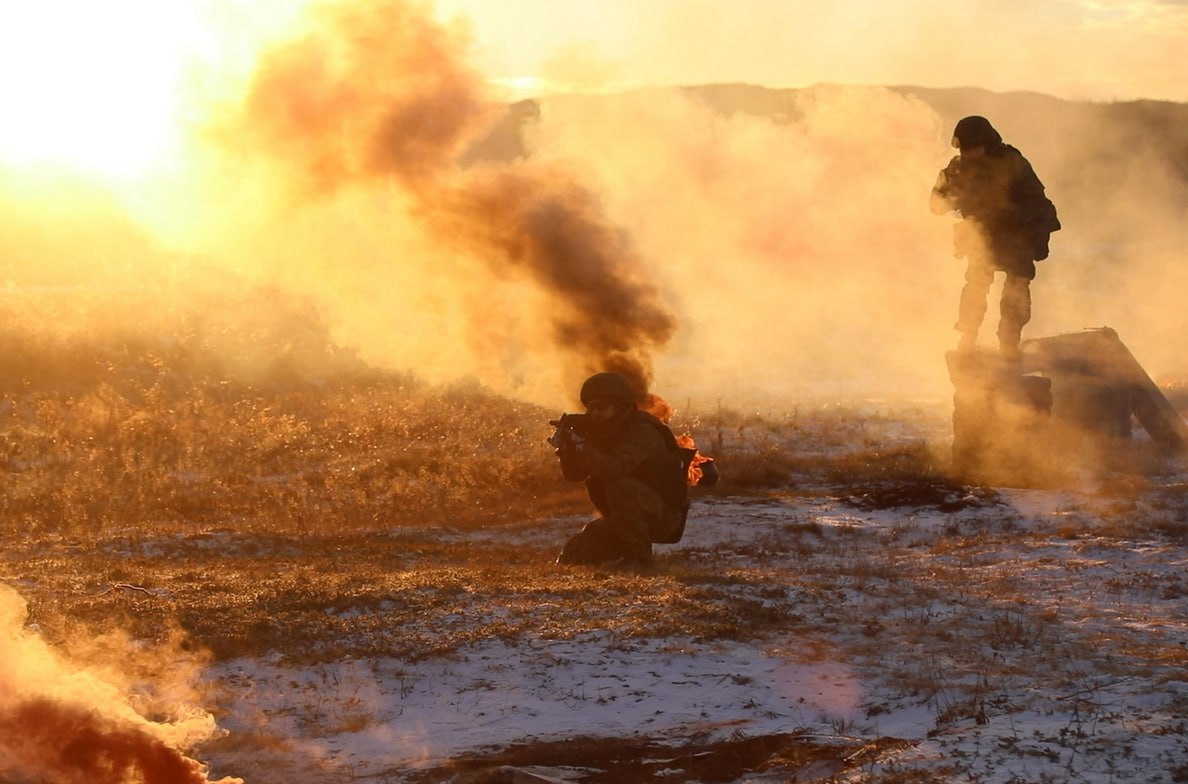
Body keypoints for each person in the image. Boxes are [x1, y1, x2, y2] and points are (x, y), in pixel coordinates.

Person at [930, 115, 1060, 361]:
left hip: (1015, 236)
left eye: (974, 147)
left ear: (987, 143)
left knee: (1017, 289)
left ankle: (1009, 343)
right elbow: (935, 204)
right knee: (976, 287)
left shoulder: (1012, 163)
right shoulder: (957, 168)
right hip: (982, 236)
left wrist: (1016, 217)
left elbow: (1038, 202)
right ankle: (967, 338)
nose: (970, 154)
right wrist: (951, 196)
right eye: (965, 149)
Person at [550, 371, 690, 567]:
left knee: (621, 487)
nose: (594, 414)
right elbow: (574, 475)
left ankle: (640, 561)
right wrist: (568, 451)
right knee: (574, 555)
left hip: (663, 516)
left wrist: (584, 447)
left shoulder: (643, 432)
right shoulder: (606, 431)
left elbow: (614, 469)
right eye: (590, 408)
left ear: (621, 405)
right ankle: (623, 554)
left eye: (601, 406)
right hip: (625, 517)